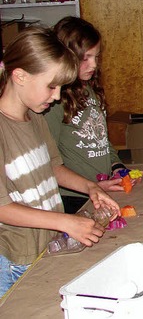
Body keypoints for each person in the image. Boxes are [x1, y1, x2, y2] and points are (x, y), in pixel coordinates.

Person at [0, 27, 120, 297]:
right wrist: (65, 221)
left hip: (45, 245)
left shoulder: (36, 119)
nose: (56, 97)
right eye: (51, 86)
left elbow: (53, 168)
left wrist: (90, 187)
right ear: (19, 76)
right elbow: (3, 207)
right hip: (14, 259)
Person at [44, 17, 128, 214]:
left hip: (99, 190)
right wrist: (90, 186)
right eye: (86, 58)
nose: (93, 65)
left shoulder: (90, 90)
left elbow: (102, 140)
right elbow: (50, 161)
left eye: (96, 57)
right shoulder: (55, 101)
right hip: (73, 198)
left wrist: (117, 167)